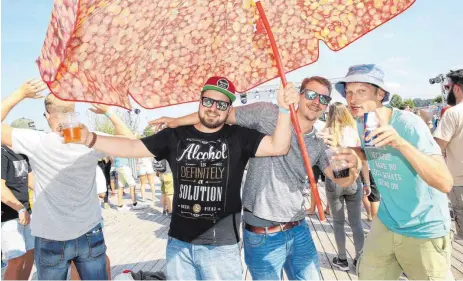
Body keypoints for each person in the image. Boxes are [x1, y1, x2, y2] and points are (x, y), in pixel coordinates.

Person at [71, 76, 299, 280]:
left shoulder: (239, 137)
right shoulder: (175, 136)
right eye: (208, 101)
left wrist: (284, 109)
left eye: (222, 104)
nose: (213, 108)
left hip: (222, 248)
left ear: (228, 109)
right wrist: (91, 138)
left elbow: (279, 146)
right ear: (199, 101)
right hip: (179, 243)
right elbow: (132, 146)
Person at [152, 76, 362, 280]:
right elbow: (220, 113)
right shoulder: (267, 113)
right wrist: (176, 122)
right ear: (298, 95)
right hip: (262, 234)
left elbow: (341, 179)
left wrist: (352, 166)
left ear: (327, 106)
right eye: (311, 94)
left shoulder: (317, 142)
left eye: (324, 99)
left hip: (299, 229)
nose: (317, 102)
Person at [1, 78, 134, 280]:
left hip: (50, 235)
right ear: (73, 113)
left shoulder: (37, 142)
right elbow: (131, 142)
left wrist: (20, 93)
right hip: (89, 230)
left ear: (47, 116)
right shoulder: (91, 139)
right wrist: (109, 113)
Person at [336, 64, 453, 280]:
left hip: (423, 226)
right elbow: (373, 153)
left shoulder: (409, 124)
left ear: (380, 94)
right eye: (349, 92)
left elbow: (445, 182)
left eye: (361, 91)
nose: (352, 99)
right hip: (388, 220)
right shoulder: (363, 123)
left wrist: (400, 143)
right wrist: (353, 153)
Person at [319, 102, 365, 270]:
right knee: (356, 222)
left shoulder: (324, 133)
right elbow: (361, 158)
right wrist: (365, 182)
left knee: (338, 223)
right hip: (353, 178)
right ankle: (360, 257)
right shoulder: (353, 132)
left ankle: (342, 258)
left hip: (334, 180)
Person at [434, 69, 463, 240]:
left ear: (456, 88)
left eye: (447, 87)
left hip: (461, 181)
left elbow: (437, 148)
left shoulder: (453, 113)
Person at [1, 144, 34, 280]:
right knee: (16, 259)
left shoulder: (24, 154)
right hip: (8, 215)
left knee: (31, 253)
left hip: (26, 212)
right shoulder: (3, 154)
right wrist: (20, 208)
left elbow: (32, 182)